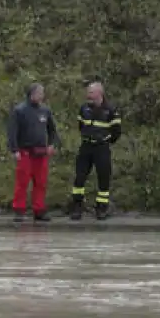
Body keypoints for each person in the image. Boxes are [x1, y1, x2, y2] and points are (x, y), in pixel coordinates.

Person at [7, 83, 60, 223]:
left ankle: (39, 210)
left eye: (42, 93)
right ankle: (19, 210)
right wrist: (14, 149)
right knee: (22, 182)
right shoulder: (20, 110)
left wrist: (52, 144)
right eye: (39, 93)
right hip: (25, 152)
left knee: (41, 182)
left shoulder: (45, 111)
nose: (42, 95)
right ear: (32, 94)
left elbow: (53, 130)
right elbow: (12, 132)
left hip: (41, 153)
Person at [70, 81, 122, 221]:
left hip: (102, 148)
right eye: (88, 92)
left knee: (103, 179)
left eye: (91, 92)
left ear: (100, 93)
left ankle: (101, 208)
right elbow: (81, 126)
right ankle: (77, 206)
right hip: (86, 147)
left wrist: (105, 140)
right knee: (79, 178)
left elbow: (116, 132)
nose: (88, 95)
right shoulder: (84, 108)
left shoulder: (111, 110)